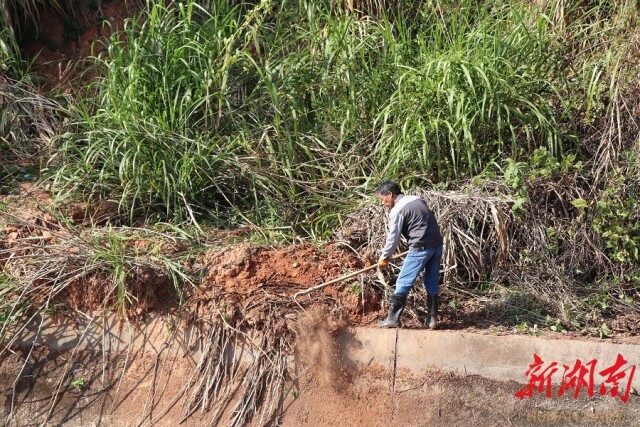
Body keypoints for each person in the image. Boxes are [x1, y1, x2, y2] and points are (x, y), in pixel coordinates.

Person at [375, 181, 443, 329]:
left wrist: (384, 256)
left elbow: (393, 237)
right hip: (436, 244)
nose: (383, 203)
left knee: (403, 281)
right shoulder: (416, 199)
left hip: (420, 247)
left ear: (390, 194)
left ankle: (393, 319)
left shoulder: (398, 210)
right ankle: (432, 321)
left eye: (383, 199)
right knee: (431, 281)